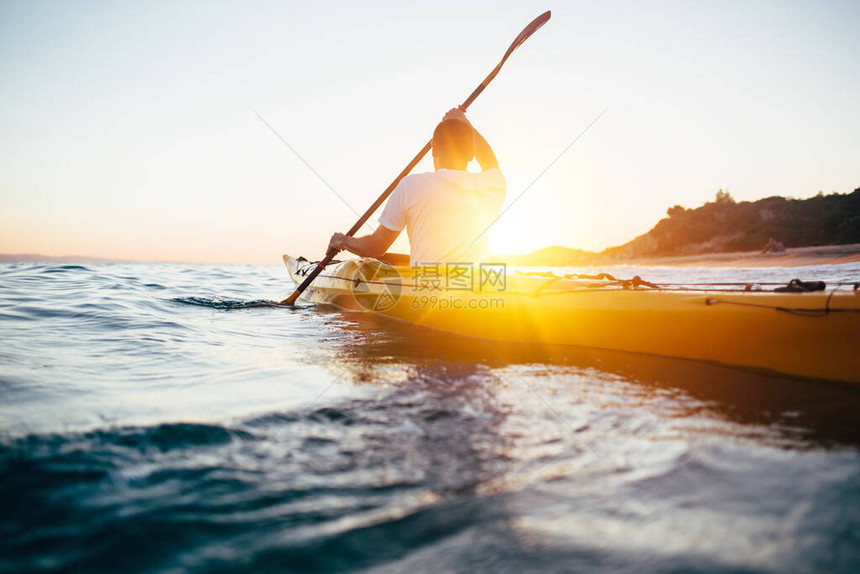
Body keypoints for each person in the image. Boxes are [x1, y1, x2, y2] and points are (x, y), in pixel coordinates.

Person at [327, 108, 506, 267]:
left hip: (424, 290)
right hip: (476, 288)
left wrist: (342, 241)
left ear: (434, 150)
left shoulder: (410, 185)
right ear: (471, 153)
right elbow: (489, 160)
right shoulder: (491, 184)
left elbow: (376, 247)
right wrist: (465, 122)